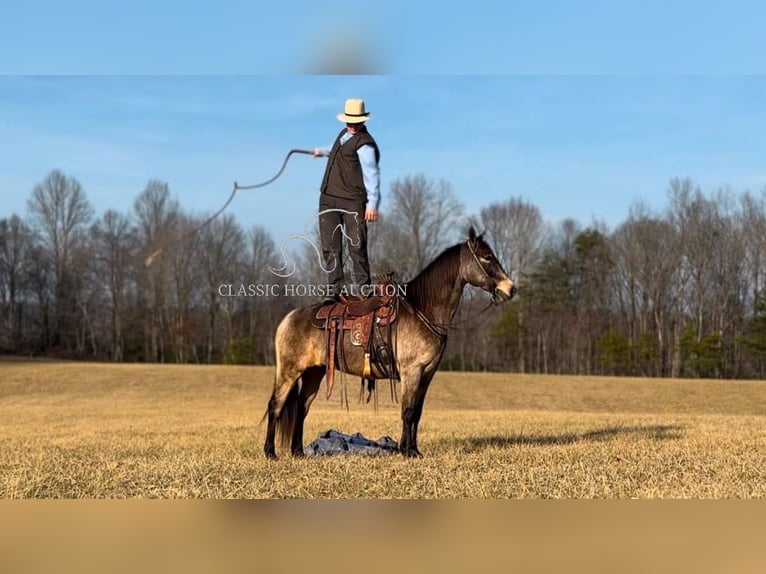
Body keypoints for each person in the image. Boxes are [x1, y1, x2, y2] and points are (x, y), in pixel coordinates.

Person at [312, 98, 381, 301]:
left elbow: (371, 174)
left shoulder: (365, 145)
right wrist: (321, 151)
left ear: (362, 121)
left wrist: (372, 203)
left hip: (352, 201)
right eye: (348, 121)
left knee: (356, 245)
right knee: (330, 247)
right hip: (328, 199)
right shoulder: (343, 134)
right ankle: (334, 290)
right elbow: (337, 149)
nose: (351, 125)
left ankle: (364, 288)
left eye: (354, 121)